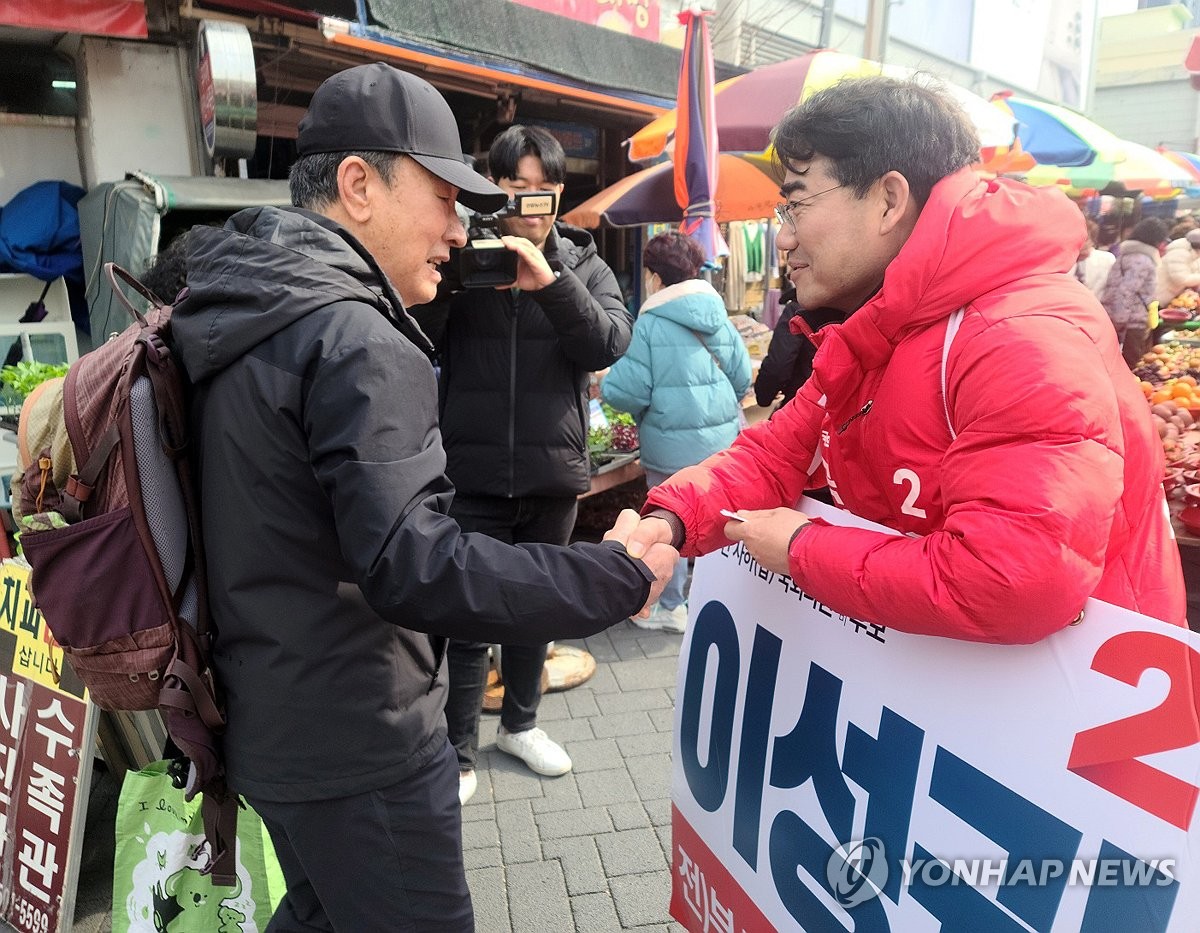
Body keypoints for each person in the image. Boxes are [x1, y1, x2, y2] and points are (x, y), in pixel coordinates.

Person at [167, 63, 675, 933]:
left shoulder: (240, 300)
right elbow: (413, 563)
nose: (458, 227)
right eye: (443, 196)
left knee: (323, 911)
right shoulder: (351, 330)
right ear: (359, 186)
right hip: (361, 735)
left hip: (270, 715)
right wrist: (606, 575)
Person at [615, 74, 1185, 646]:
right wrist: (670, 521)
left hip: (1083, 706)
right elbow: (776, 454)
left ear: (889, 200)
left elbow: (1013, 581)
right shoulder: (881, 324)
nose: (783, 239)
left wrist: (799, 548)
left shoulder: (1022, 336)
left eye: (795, 204)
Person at [410, 125, 633, 802]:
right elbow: (416, 330)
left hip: (552, 475)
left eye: (542, 191)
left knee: (537, 608)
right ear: (492, 192)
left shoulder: (584, 263)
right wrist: (453, 281)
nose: (529, 203)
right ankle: (458, 752)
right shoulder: (462, 257)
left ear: (559, 195)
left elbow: (608, 341)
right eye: (514, 190)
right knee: (470, 617)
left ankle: (522, 724)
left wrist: (550, 281)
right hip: (471, 469)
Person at [600, 230, 752, 632]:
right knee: (717, 523)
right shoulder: (715, 312)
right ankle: (711, 599)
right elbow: (741, 377)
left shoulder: (649, 322)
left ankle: (671, 606)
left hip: (669, 448)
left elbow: (625, 390)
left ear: (654, 274)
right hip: (721, 444)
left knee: (669, 525)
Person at [753, 272, 843, 409]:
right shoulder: (858, 305)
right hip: (845, 407)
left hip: (803, 403)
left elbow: (779, 362)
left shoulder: (799, 309)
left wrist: (764, 393)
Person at [1101, 216, 1168, 368]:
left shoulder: (1128, 254)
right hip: (1131, 321)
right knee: (1132, 362)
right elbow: (1126, 292)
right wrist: (1120, 322)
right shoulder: (1141, 260)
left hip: (1121, 317)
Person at [1156, 226, 1200, 308]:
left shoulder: (1194, 255)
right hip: (1158, 296)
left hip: (1171, 297)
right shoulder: (1179, 253)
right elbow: (1181, 279)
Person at [1072, 218, 1114, 299]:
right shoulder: (1063, 262)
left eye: (1085, 239)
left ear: (1092, 240)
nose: (1081, 243)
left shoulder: (1107, 259)